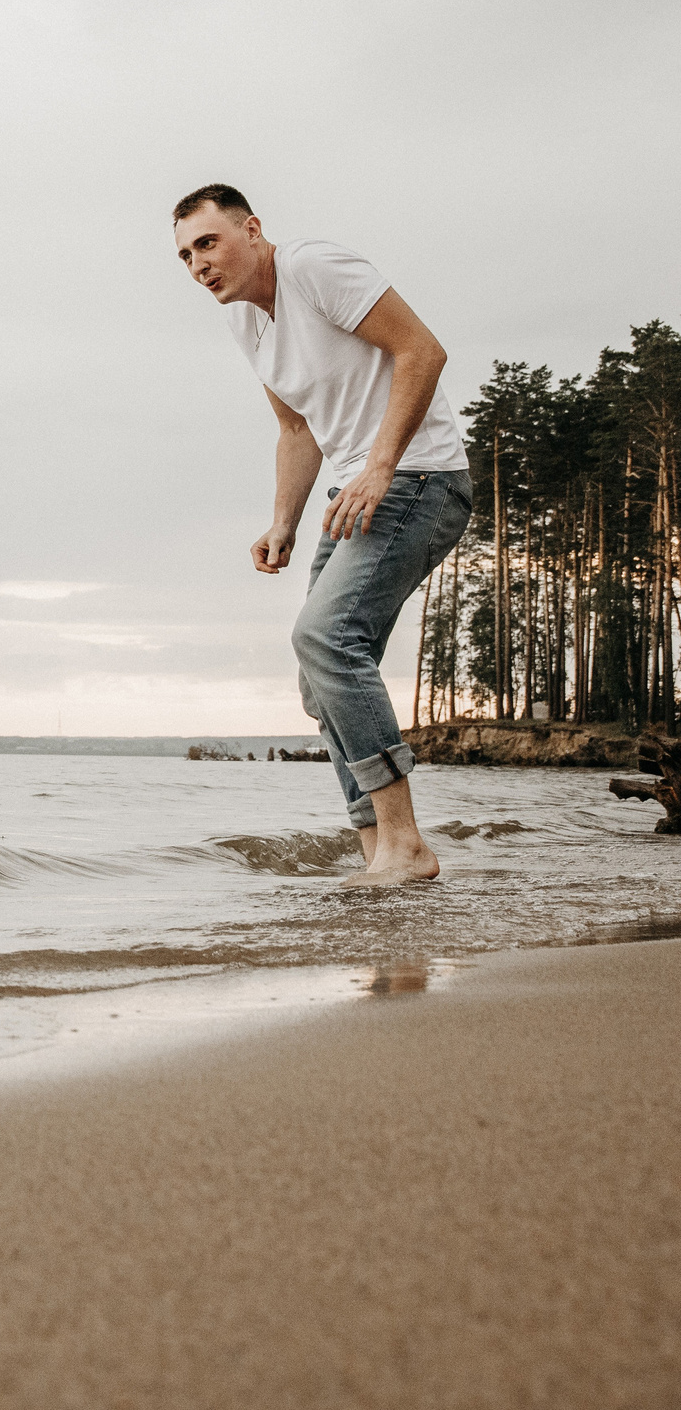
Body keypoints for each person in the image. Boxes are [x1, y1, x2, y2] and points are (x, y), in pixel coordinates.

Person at [172, 183, 472, 886]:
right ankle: (377, 849)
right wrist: (284, 520)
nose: (198, 265)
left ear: (251, 229)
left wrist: (380, 465)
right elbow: (295, 428)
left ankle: (405, 842)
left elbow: (423, 351)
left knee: (325, 637)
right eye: (186, 255)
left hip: (421, 477)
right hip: (355, 488)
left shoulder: (314, 269)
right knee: (319, 677)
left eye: (208, 243)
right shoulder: (245, 320)